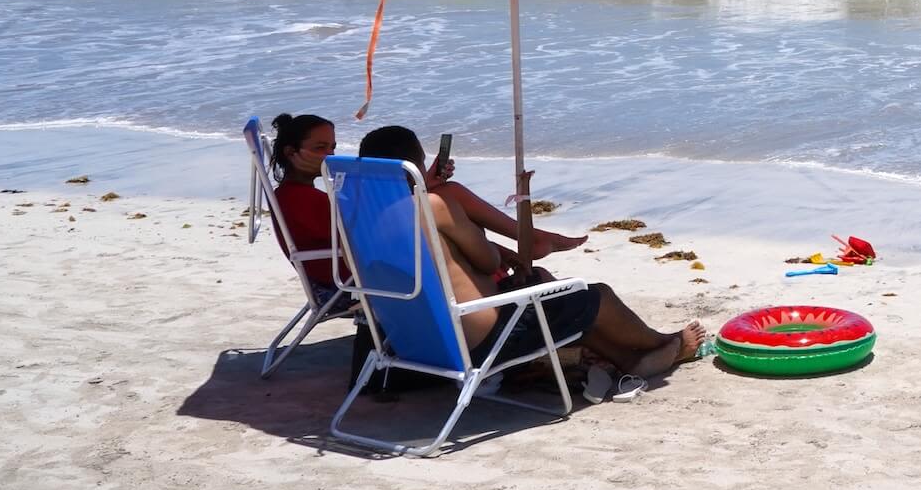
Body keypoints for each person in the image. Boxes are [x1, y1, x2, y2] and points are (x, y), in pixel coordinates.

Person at [354, 125, 702, 377]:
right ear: (416, 163)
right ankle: (664, 343)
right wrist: (483, 245)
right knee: (593, 295)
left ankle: (630, 361)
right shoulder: (433, 205)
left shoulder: (358, 215)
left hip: (414, 339)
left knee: (554, 296)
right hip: (480, 340)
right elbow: (489, 261)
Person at [268, 112, 340, 288]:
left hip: (328, 281)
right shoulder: (304, 199)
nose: (330, 155)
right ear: (291, 152)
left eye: (332, 147)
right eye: (320, 148)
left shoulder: (287, 193)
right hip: (346, 285)